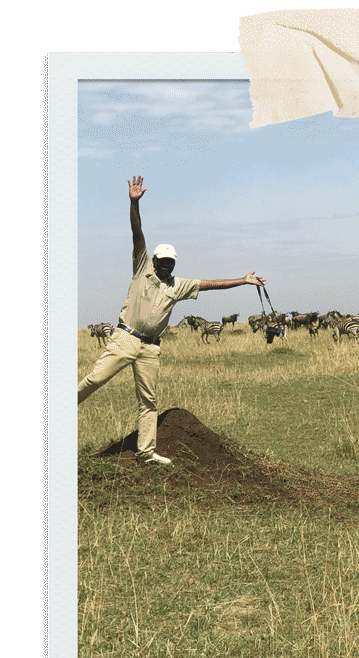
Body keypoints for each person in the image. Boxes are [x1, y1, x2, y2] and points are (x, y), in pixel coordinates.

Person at [78, 176, 266, 464]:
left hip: (151, 348)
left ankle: (146, 453)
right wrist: (133, 203)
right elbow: (136, 233)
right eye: (162, 261)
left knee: (148, 402)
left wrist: (242, 280)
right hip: (126, 338)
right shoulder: (142, 268)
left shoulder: (177, 285)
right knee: (96, 379)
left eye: (170, 263)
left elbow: (210, 284)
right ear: (153, 260)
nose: (166, 266)